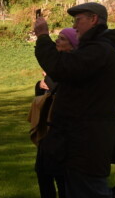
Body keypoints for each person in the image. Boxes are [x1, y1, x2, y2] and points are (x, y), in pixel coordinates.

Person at [33, 2, 115, 198]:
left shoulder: (99, 50)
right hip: (82, 143)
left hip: (86, 145)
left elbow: (61, 68)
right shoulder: (99, 48)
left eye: (78, 20)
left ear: (94, 20)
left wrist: (42, 37)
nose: (74, 26)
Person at [33, 28, 79, 198]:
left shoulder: (71, 65)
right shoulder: (56, 64)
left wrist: (49, 80)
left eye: (62, 39)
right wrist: (40, 85)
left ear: (72, 45)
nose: (57, 41)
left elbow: (64, 92)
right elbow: (41, 97)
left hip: (62, 131)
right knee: (42, 172)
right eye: (57, 37)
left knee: (61, 176)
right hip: (47, 128)